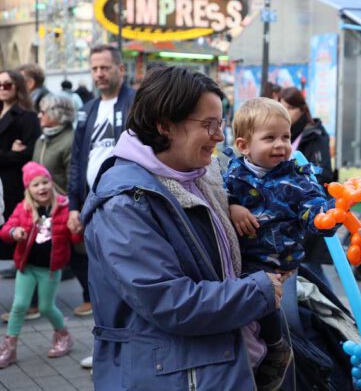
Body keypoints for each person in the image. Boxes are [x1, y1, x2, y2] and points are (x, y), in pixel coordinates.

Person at [82, 66, 281, 390]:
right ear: (165, 125)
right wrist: (257, 291)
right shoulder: (126, 202)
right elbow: (168, 301)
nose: (219, 136)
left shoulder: (203, 175)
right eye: (209, 125)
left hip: (224, 360)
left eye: (221, 124)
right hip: (175, 374)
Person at [224, 97, 336, 390]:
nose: (281, 145)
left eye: (286, 137)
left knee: (276, 315)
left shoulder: (296, 176)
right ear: (244, 145)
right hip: (246, 263)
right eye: (270, 138)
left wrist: (324, 217)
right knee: (251, 319)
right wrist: (233, 207)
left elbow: (312, 204)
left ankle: (277, 351)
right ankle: (263, 357)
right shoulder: (234, 175)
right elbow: (220, 199)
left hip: (282, 264)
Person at [67, 45, 136, 320]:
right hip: (92, 203)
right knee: (100, 274)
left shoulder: (136, 103)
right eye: (94, 68)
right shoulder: (88, 110)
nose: (99, 74)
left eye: (105, 67)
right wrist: (74, 205)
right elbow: (76, 160)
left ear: (120, 69)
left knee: (125, 273)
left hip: (125, 203)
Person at [0, 162, 79, 368]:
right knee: (19, 306)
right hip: (27, 267)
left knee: (45, 307)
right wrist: (14, 232)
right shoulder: (23, 208)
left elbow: (75, 239)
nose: (41, 187)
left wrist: (77, 229)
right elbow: (5, 229)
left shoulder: (63, 207)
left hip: (50, 269)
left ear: (51, 184)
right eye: (35, 185)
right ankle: (9, 348)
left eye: (45, 182)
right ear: (29, 189)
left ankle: (64, 336)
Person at [279, 86, 335, 285]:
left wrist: (296, 186)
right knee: (301, 267)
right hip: (290, 211)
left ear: (302, 109)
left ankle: (334, 310)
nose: (284, 112)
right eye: (281, 106)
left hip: (311, 206)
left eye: (289, 108)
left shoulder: (315, 134)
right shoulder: (285, 133)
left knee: (311, 267)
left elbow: (323, 172)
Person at [0, 70, 42, 280]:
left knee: (14, 223)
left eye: (7, 84)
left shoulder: (27, 116)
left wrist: (8, 155)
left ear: (17, 86)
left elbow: (27, 154)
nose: (2, 88)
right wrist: (9, 152)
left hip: (13, 182)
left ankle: (21, 266)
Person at [33, 95, 75, 195]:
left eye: (42, 112)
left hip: (62, 205)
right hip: (42, 204)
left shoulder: (71, 140)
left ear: (57, 114)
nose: (39, 115)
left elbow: (73, 181)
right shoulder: (41, 139)